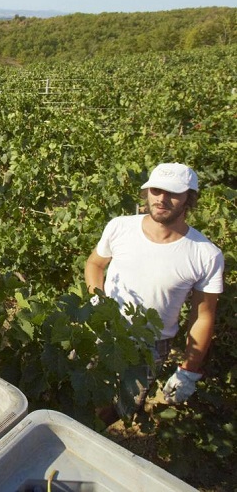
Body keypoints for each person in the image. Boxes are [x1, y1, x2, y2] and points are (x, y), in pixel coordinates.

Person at [84, 162, 224, 422]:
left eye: (172, 193)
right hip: (104, 327)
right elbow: (95, 264)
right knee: (81, 388)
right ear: (147, 192)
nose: (162, 198)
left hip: (151, 345)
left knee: (118, 408)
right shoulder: (120, 227)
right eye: (156, 190)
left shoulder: (206, 254)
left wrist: (188, 370)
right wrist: (97, 300)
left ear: (188, 199)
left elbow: (203, 316)